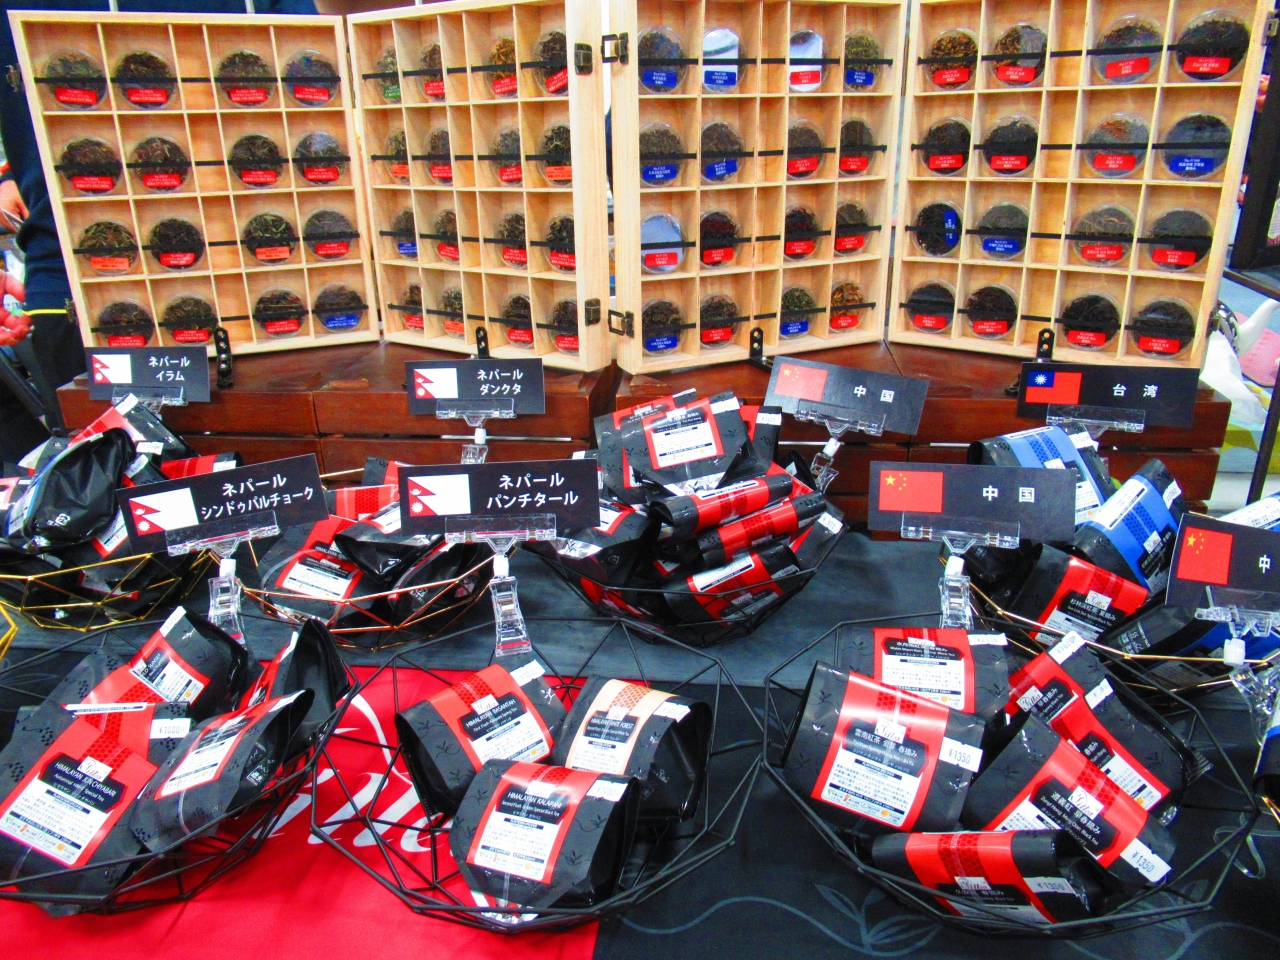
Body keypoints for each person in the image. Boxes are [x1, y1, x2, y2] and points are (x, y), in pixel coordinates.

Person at [0, 0, 317, 460]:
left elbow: (312, 67)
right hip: (81, 290)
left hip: (270, 281)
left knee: (275, 477)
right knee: (119, 479)